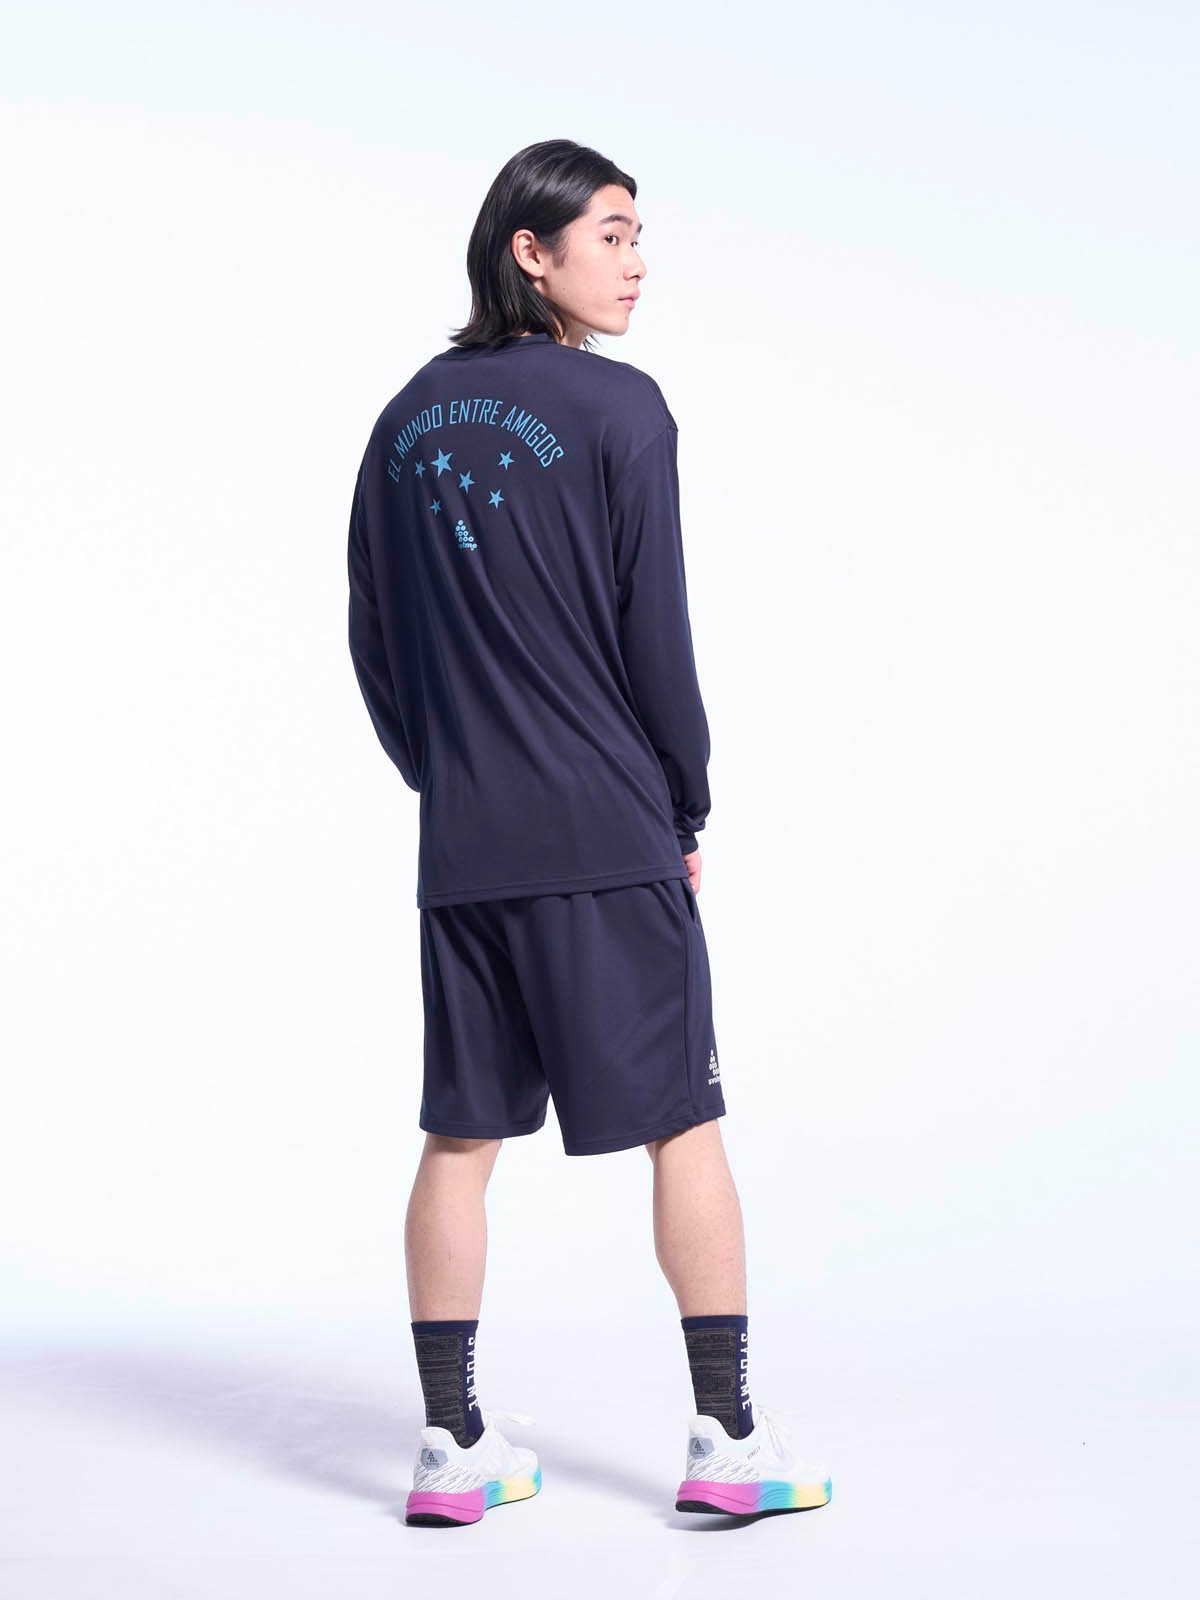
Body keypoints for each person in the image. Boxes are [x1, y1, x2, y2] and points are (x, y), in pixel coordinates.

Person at [346, 138, 832, 1527]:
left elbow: (374, 640)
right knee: (684, 1122)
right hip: (608, 829)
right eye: (611, 234)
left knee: (459, 1137)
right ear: (531, 249)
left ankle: (450, 1450)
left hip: (466, 843)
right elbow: (652, 632)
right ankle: (727, 1441)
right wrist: (685, 800)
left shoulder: (403, 419)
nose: (636, 263)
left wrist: (448, 777)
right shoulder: (621, 408)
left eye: (637, 235)